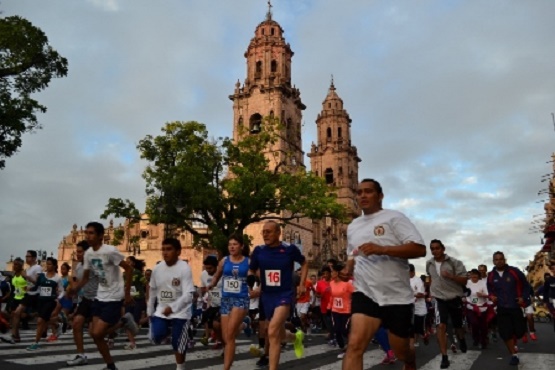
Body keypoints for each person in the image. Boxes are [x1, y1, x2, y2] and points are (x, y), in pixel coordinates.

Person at [340, 179, 426, 370]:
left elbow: (419, 249)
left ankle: (410, 360)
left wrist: (383, 249)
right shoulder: (353, 226)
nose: (363, 195)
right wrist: (348, 268)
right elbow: (352, 254)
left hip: (396, 296)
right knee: (354, 346)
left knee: (401, 351)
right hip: (365, 292)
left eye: (368, 191)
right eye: (359, 192)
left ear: (380, 196)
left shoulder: (394, 218)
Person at [69, 221, 134, 370]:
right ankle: (110, 366)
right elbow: (85, 278)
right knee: (95, 334)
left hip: (114, 296)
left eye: (91, 233)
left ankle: (122, 323)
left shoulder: (110, 251)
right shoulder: (89, 254)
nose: (88, 236)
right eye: (86, 233)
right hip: (100, 295)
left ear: (100, 236)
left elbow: (128, 269)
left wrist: (127, 292)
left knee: (98, 332)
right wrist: (74, 289)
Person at [248, 221, 307, 370]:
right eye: (263, 232)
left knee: (272, 330)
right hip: (267, 296)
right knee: (277, 332)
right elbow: (252, 270)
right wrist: (254, 284)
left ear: (278, 233)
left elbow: (305, 263)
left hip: (284, 294)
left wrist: (301, 284)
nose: (265, 234)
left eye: (269, 231)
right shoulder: (259, 251)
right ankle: (295, 337)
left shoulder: (289, 249)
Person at [147, 238, 195, 370]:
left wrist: (173, 307)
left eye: (169, 249)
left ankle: (180, 367)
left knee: (178, 343)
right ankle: (168, 332)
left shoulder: (184, 268)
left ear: (178, 251)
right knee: (156, 336)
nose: (165, 252)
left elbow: (188, 294)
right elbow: (152, 290)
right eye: (163, 249)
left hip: (181, 312)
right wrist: (149, 310)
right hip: (161, 311)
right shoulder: (157, 269)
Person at [207, 234, 252, 370]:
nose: (232, 247)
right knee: (227, 336)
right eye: (230, 244)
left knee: (230, 335)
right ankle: (244, 325)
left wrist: (255, 288)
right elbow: (217, 275)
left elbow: (254, 276)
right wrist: (212, 284)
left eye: (235, 244)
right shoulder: (224, 261)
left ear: (241, 246)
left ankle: (225, 368)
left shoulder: (248, 262)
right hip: (226, 299)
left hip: (241, 299)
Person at [425, 239, 468, 369]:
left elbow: (465, 281)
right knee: (441, 325)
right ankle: (444, 357)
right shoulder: (429, 263)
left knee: (458, 325)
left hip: (454, 297)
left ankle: (461, 339)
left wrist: (451, 276)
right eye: (432, 248)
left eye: (437, 248)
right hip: (439, 298)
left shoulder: (455, 263)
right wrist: (430, 289)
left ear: (443, 249)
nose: (435, 251)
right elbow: (430, 277)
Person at [487, 251, 531, 366]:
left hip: (515, 306)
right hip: (502, 308)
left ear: (505, 260)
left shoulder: (514, 271)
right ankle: (514, 355)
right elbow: (490, 289)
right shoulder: (491, 275)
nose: (499, 261)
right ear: (493, 261)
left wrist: (523, 297)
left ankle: (522, 331)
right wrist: (491, 296)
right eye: (496, 259)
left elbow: (526, 286)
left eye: (501, 259)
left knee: (519, 332)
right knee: (505, 333)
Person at [65, 240, 100, 365]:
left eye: (80, 252)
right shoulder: (79, 266)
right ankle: (81, 355)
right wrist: (71, 290)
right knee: (76, 324)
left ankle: (123, 322)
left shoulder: (95, 264)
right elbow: (77, 283)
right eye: (77, 252)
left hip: (99, 299)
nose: (77, 254)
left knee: (95, 333)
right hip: (86, 299)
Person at [26, 257, 64, 351]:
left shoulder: (57, 278)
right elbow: (37, 287)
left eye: (50, 264)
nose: (48, 265)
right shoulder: (42, 275)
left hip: (50, 301)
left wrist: (58, 299)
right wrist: (29, 289)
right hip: (41, 300)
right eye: (47, 264)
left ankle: (36, 342)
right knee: (45, 320)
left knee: (40, 321)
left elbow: (62, 291)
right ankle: (57, 324)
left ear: (54, 265)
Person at [9, 250, 43, 343]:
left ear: (34, 258)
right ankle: (15, 336)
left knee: (43, 317)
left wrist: (27, 277)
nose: (26, 258)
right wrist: (25, 288)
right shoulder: (28, 269)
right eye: (26, 256)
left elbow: (37, 282)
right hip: (28, 294)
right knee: (16, 313)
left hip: (36, 294)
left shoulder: (38, 267)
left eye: (28, 256)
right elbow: (28, 284)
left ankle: (57, 324)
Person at [328, 263, 353, 358]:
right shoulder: (331, 283)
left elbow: (355, 294)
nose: (331, 274)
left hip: (346, 310)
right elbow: (332, 296)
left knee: (344, 330)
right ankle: (343, 348)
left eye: (332, 272)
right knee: (336, 330)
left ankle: (351, 345)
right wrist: (329, 306)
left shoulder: (347, 285)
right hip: (335, 310)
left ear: (337, 273)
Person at [199, 255, 223, 348]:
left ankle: (220, 341)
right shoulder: (203, 274)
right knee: (209, 322)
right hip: (212, 303)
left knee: (217, 324)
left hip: (223, 303)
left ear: (216, 266)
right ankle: (218, 338)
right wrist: (205, 300)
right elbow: (203, 288)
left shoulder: (222, 274)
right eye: (206, 268)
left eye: (210, 268)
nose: (208, 270)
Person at [0, 257, 26, 343]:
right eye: (14, 264)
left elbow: (27, 287)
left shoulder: (23, 274)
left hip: (22, 297)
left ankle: (13, 335)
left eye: (17, 264)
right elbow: (13, 289)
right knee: (13, 316)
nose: (14, 266)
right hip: (15, 297)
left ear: (21, 265)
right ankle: (17, 336)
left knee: (16, 315)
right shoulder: (14, 275)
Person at [465, 269, 489, 349]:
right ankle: (476, 339)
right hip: (471, 307)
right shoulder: (467, 283)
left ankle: (483, 341)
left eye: (476, 277)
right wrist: (464, 298)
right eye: (472, 277)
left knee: (483, 326)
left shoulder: (482, 283)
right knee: (474, 323)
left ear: (478, 276)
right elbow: (464, 293)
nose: (474, 279)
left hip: (482, 307)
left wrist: (482, 294)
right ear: (470, 276)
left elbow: (487, 294)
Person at [314, 266, 334, 345]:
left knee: (333, 322)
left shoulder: (334, 281)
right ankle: (331, 334)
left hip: (334, 306)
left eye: (327, 273)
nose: (325, 275)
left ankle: (332, 336)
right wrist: (319, 295)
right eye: (324, 274)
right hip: (324, 306)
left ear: (330, 273)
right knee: (328, 323)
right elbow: (317, 294)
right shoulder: (320, 283)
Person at [409, 264, 427, 348]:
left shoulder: (418, 281)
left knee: (417, 327)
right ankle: (412, 341)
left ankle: (422, 336)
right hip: (409, 307)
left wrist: (412, 294)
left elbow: (422, 295)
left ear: (413, 272)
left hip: (419, 308)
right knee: (411, 325)